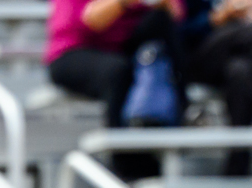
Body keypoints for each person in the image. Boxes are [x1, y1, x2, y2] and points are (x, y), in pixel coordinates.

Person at [182, 0, 252, 175]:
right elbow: (181, 29)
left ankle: (237, 160)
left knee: (239, 72)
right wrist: (216, 17)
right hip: (208, 54)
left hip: (249, 62)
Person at [47, 0, 186, 130]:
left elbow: (177, 16)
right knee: (118, 71)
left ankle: (177, 113)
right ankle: (121, 149)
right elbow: (88, 23)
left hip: (123, 51)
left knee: (160, 23)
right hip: (73, 52)